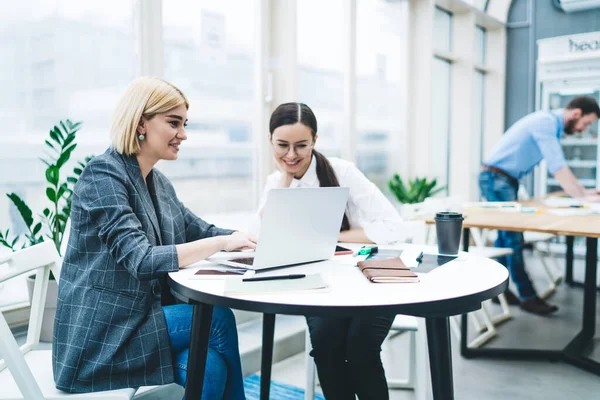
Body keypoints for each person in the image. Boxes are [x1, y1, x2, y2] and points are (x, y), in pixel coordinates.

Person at [52, 77, 255, 399]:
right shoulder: (102, 175)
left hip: (140, 320)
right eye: (174, 123)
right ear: (141, 122)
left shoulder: (156, 181)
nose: (183, 135)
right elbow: (141, 259)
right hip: (103, 334)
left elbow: (199, 230)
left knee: (211, 366)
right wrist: (219, 244)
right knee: (215, 318)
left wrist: (249, 239)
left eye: (184, 124)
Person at [259, 102, 407, 399]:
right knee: (326, 347)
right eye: (282, 145)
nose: (291, 155)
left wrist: (331, 236)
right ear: (270, 141)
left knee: (360, 348)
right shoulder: (276, 184)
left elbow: (395, 228)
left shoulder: (342, 172)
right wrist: (286, 183)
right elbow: (268, 240)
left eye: (301, 145)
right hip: (324, 285)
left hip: (373, 277)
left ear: (315, 140)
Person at [480, 95, 600, 315]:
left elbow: (558, 165)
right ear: (576, 113)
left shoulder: (551, 125)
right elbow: (557, 165)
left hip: (504, 179)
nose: (585, 128)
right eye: (587, 122)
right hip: (496, 179)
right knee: (513, 238)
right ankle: (528, 297)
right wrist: (581, 198)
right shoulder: (545, 123)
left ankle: (497, 291)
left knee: (505, 237)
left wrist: (584, 193)